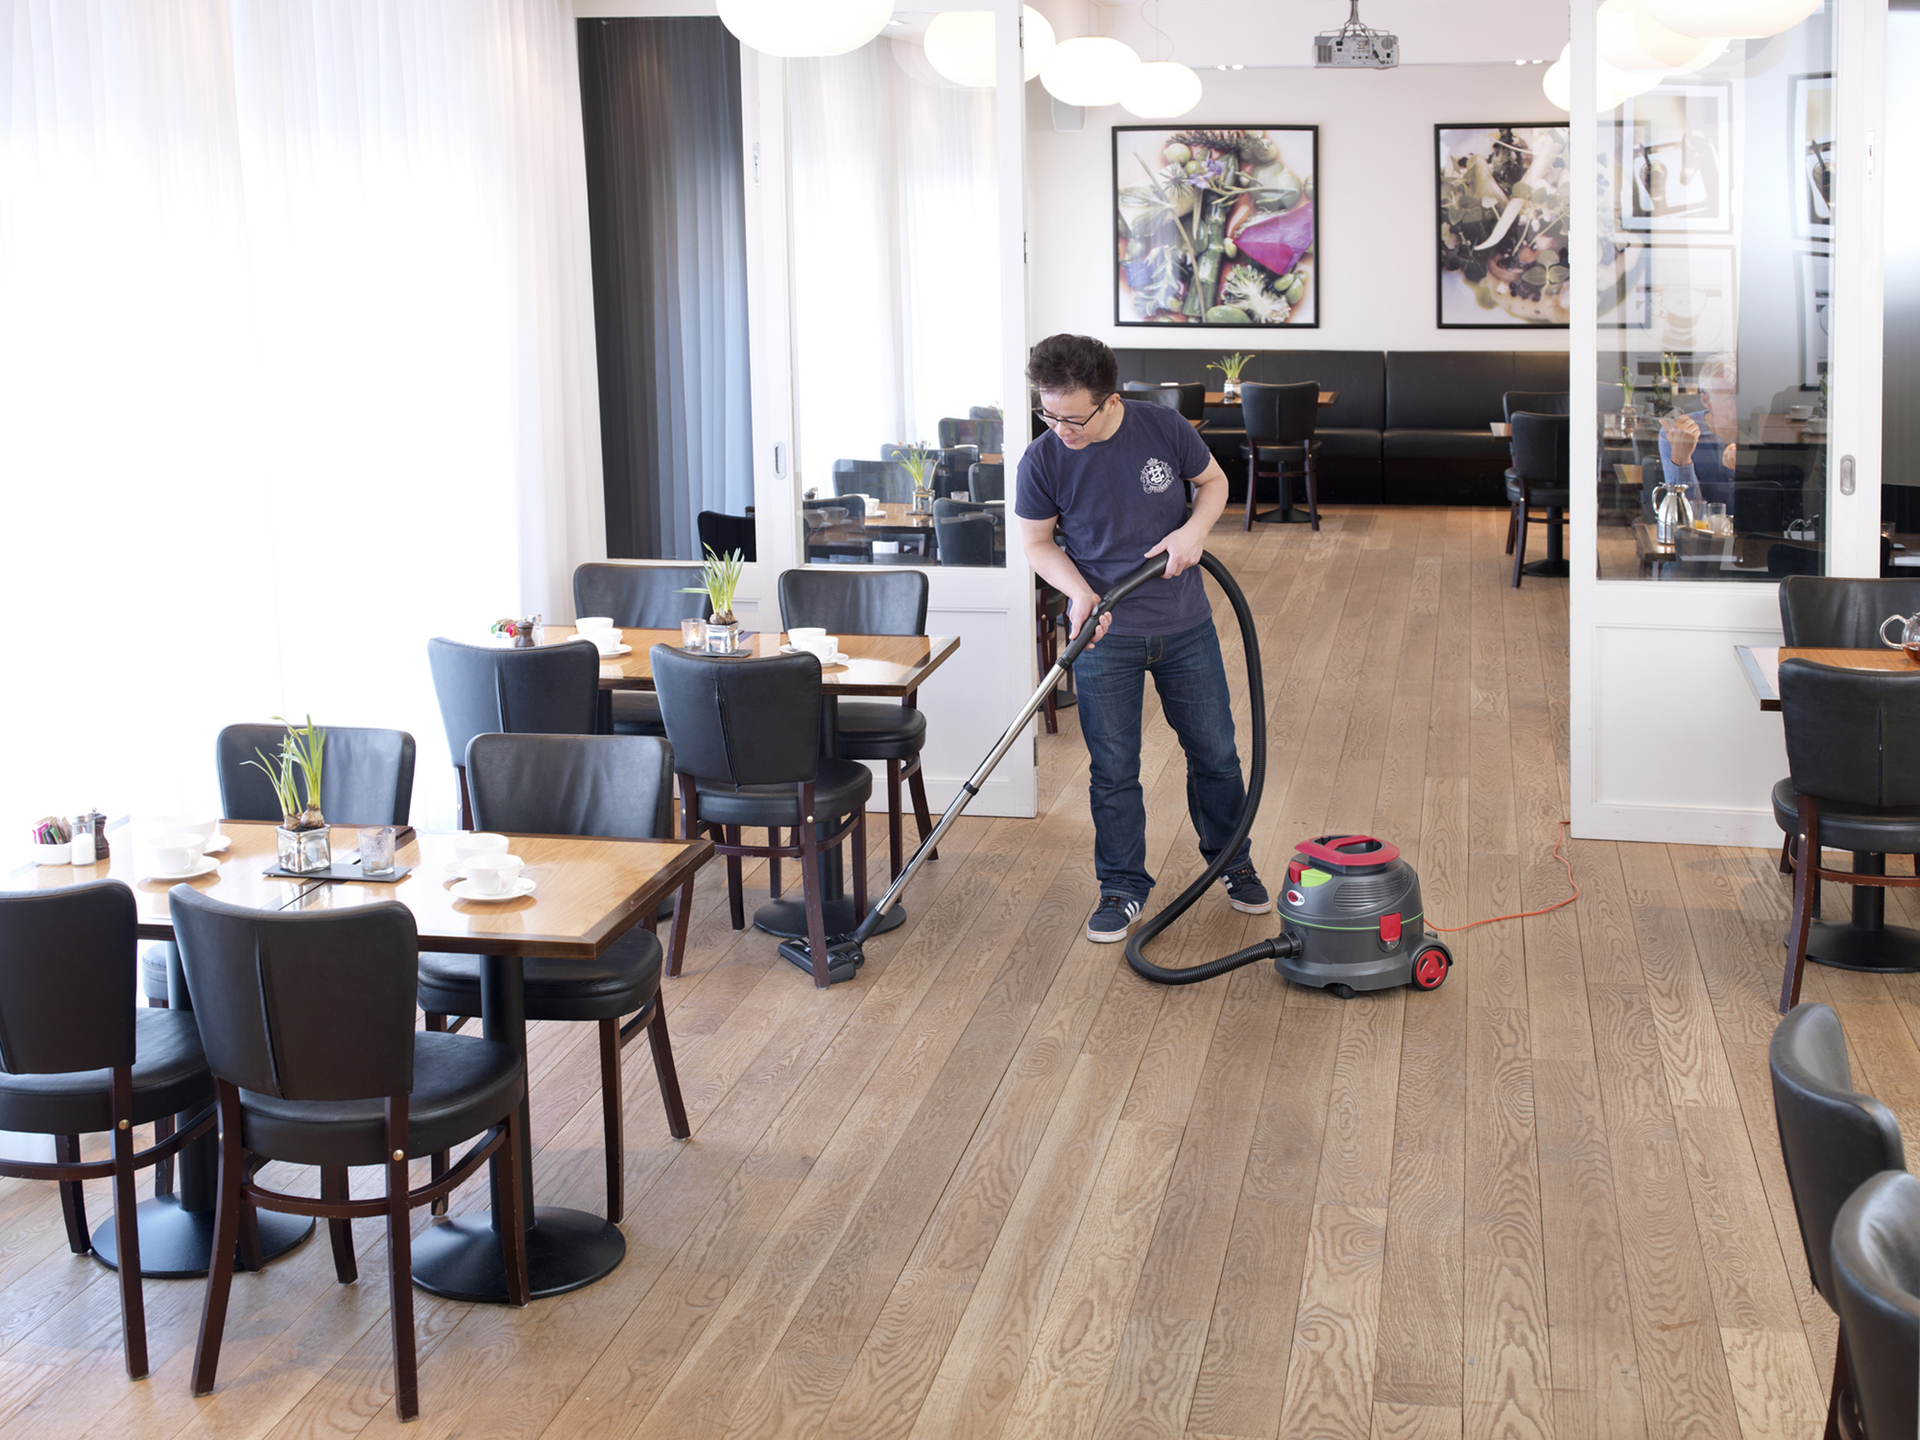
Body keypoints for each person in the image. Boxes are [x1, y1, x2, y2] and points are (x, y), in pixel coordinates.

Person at [1015, 334, 1270, 944]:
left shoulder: (1162, 428)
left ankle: (1231, 861)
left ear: (1109, 401)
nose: (1058, 428)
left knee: (1215, 752)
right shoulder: (1043, 458)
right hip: (1104, 636)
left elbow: (1213, 485)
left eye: (1071, 417)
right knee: (1114, 768)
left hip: (1185, 624)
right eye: (1047, 413)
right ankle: (1123, 887)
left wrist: (1194, 531)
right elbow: (1036, 543)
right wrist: (1078, 593)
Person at [1657, 356, 1738, 511]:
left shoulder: (1764, 430)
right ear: (1707, 401)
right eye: (1732, 398)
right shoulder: (1678, 433)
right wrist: (1682, 459)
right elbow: (1684, 512)